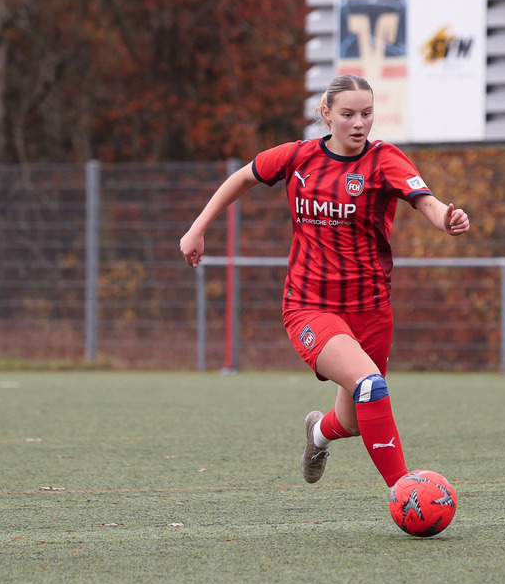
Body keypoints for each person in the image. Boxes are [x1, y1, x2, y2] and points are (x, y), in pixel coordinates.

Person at [180, 74, 470, 493]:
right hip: (310, 305)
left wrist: (445, 218)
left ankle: (318, 434)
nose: (359, 123)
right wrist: (197, 228)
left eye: (367, 114)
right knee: (370, 385)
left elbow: (424, 199)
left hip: (370, 308)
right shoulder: (297, 157)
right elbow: (242, 177)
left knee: (352, 420)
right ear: (326, 115)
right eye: (348, 114)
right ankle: (403, 491)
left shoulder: (384, 159)